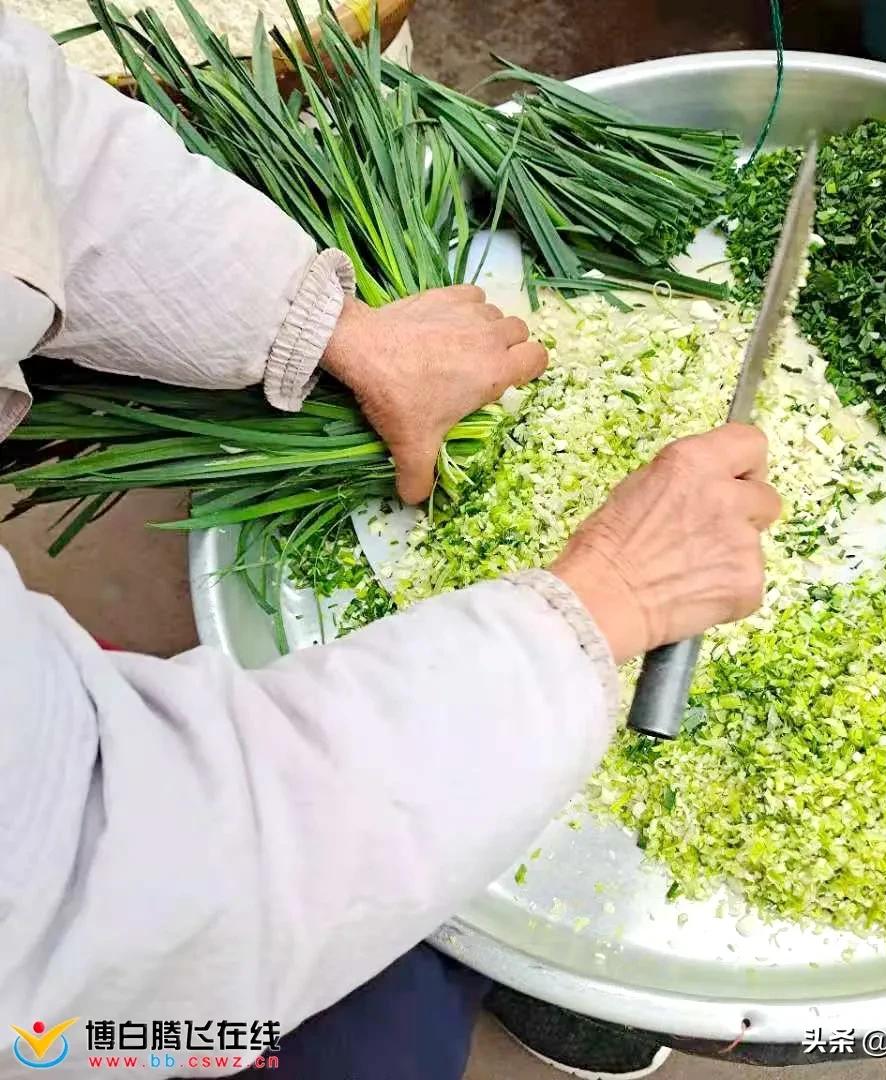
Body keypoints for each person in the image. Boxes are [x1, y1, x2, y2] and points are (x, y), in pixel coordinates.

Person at [0, 10, 780, 1080]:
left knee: (422, 940)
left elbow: (30, 149)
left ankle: (514, 976)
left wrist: (322, 325)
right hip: (65, 987)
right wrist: (606, 602)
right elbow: (113, 889)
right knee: (380, 1052)